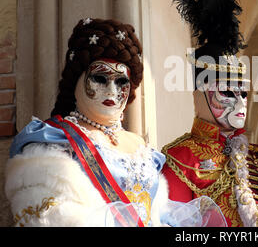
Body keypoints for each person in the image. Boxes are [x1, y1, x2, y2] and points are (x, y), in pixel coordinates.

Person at [5, 18, 225, 227]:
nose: (112, 91)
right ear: (76, 80)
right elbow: (49, 217)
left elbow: (159, 214)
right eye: (100, 79)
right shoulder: (53, 140)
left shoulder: (142, 147)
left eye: (121, 81)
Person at [159, 0, 258, 227]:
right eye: (226, 92)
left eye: (243, 93)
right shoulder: (180, 159)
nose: (239, 102)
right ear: (200, 95)